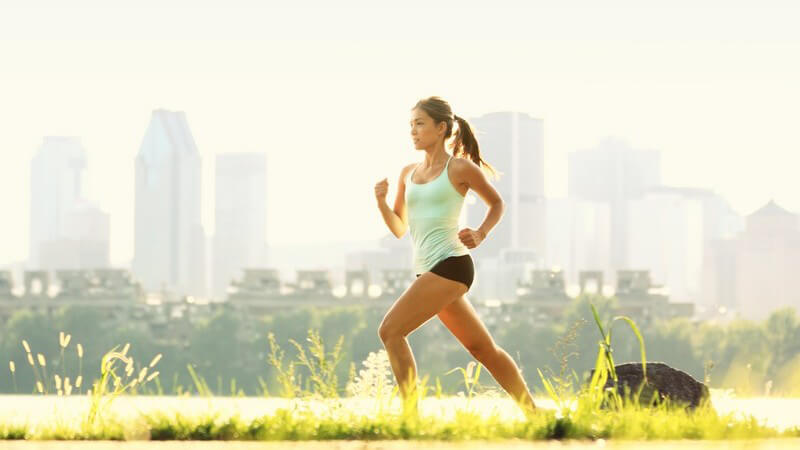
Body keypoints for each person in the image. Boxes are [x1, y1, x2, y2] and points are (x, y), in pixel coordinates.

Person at [373, 96, 537, 417]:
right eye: (411, 125)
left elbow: (497, 203)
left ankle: (410, 418)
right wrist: (381, 203)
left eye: (420, 124)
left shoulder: (459, 168)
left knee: (390, 330)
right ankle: (534, 412)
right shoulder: (407, 173)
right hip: (427, 271)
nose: (413, 131)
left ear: (441, 128)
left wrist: (480, 233)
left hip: (452, 265)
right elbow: (399, 228)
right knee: (482, 349)